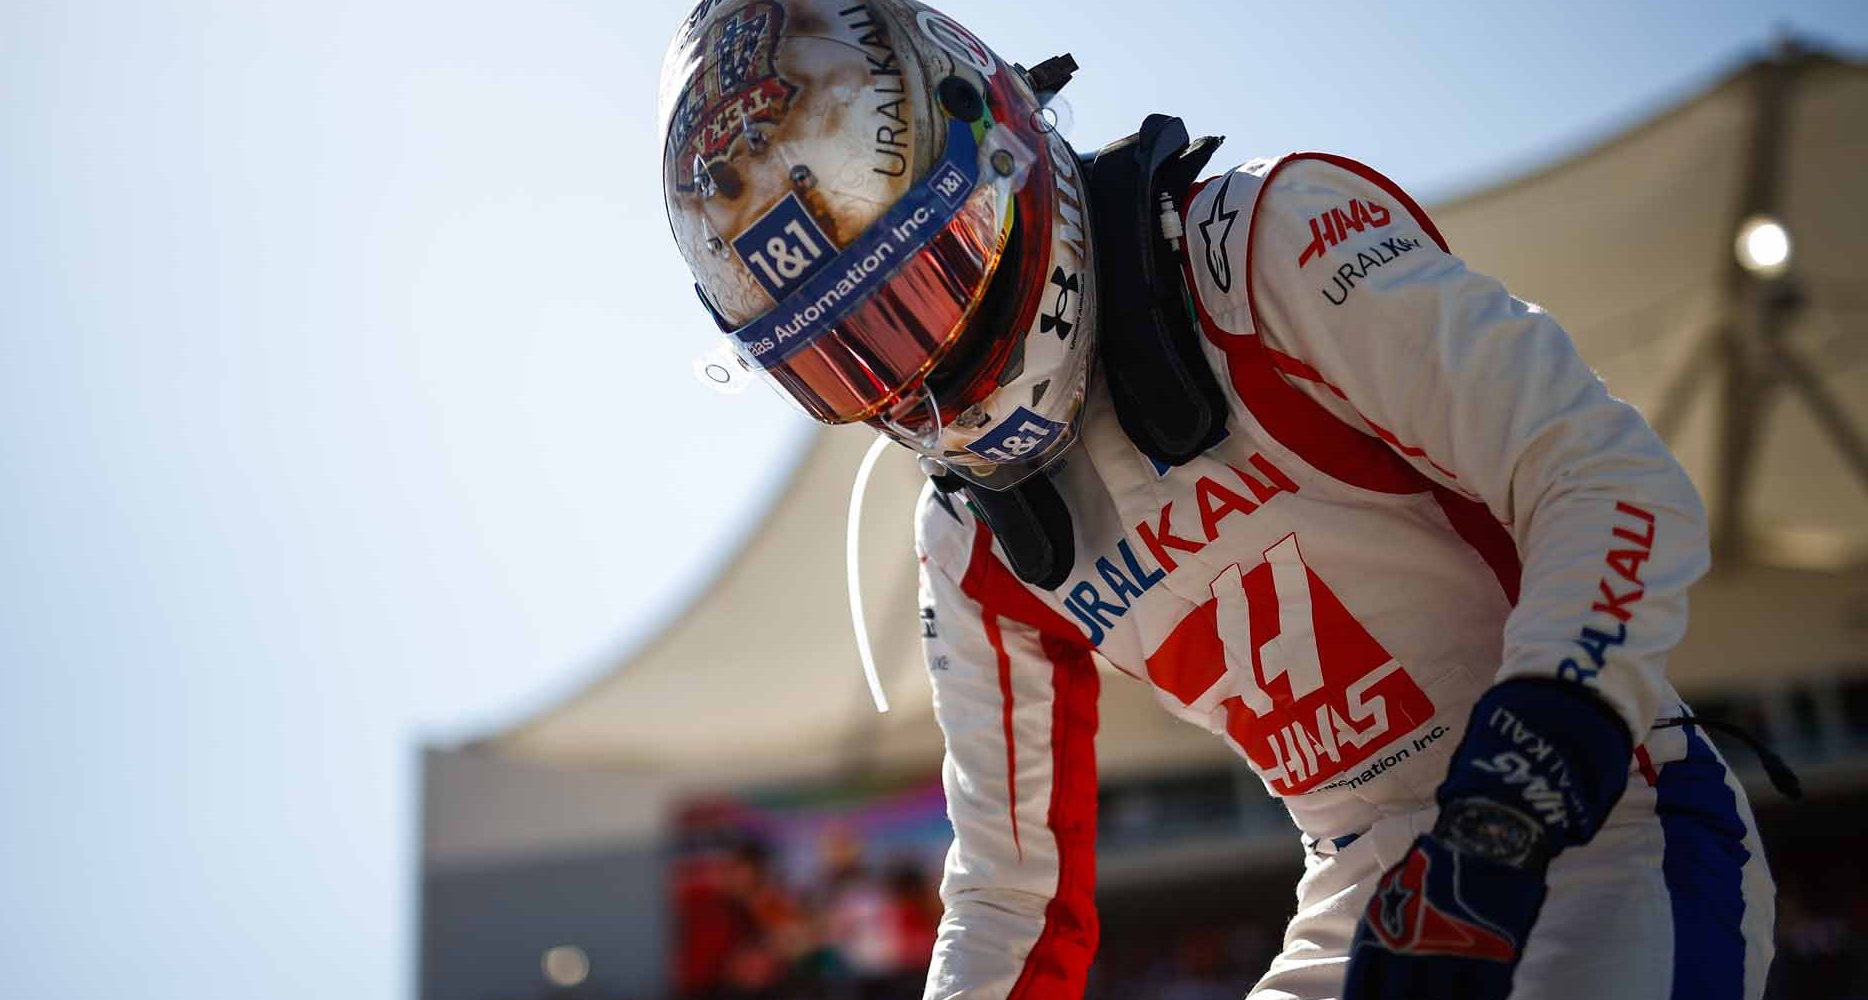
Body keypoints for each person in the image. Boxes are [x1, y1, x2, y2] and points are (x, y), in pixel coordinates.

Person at [654, 2, 1777, 998]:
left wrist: (1506, 811)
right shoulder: (968, 533)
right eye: (849, 356)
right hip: (1361, 884)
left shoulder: (1267, 246)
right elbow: (1010, 898)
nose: (918, 375)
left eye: (921, 290)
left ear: (999, 148)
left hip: (1601, 816)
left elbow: (1597, 471)